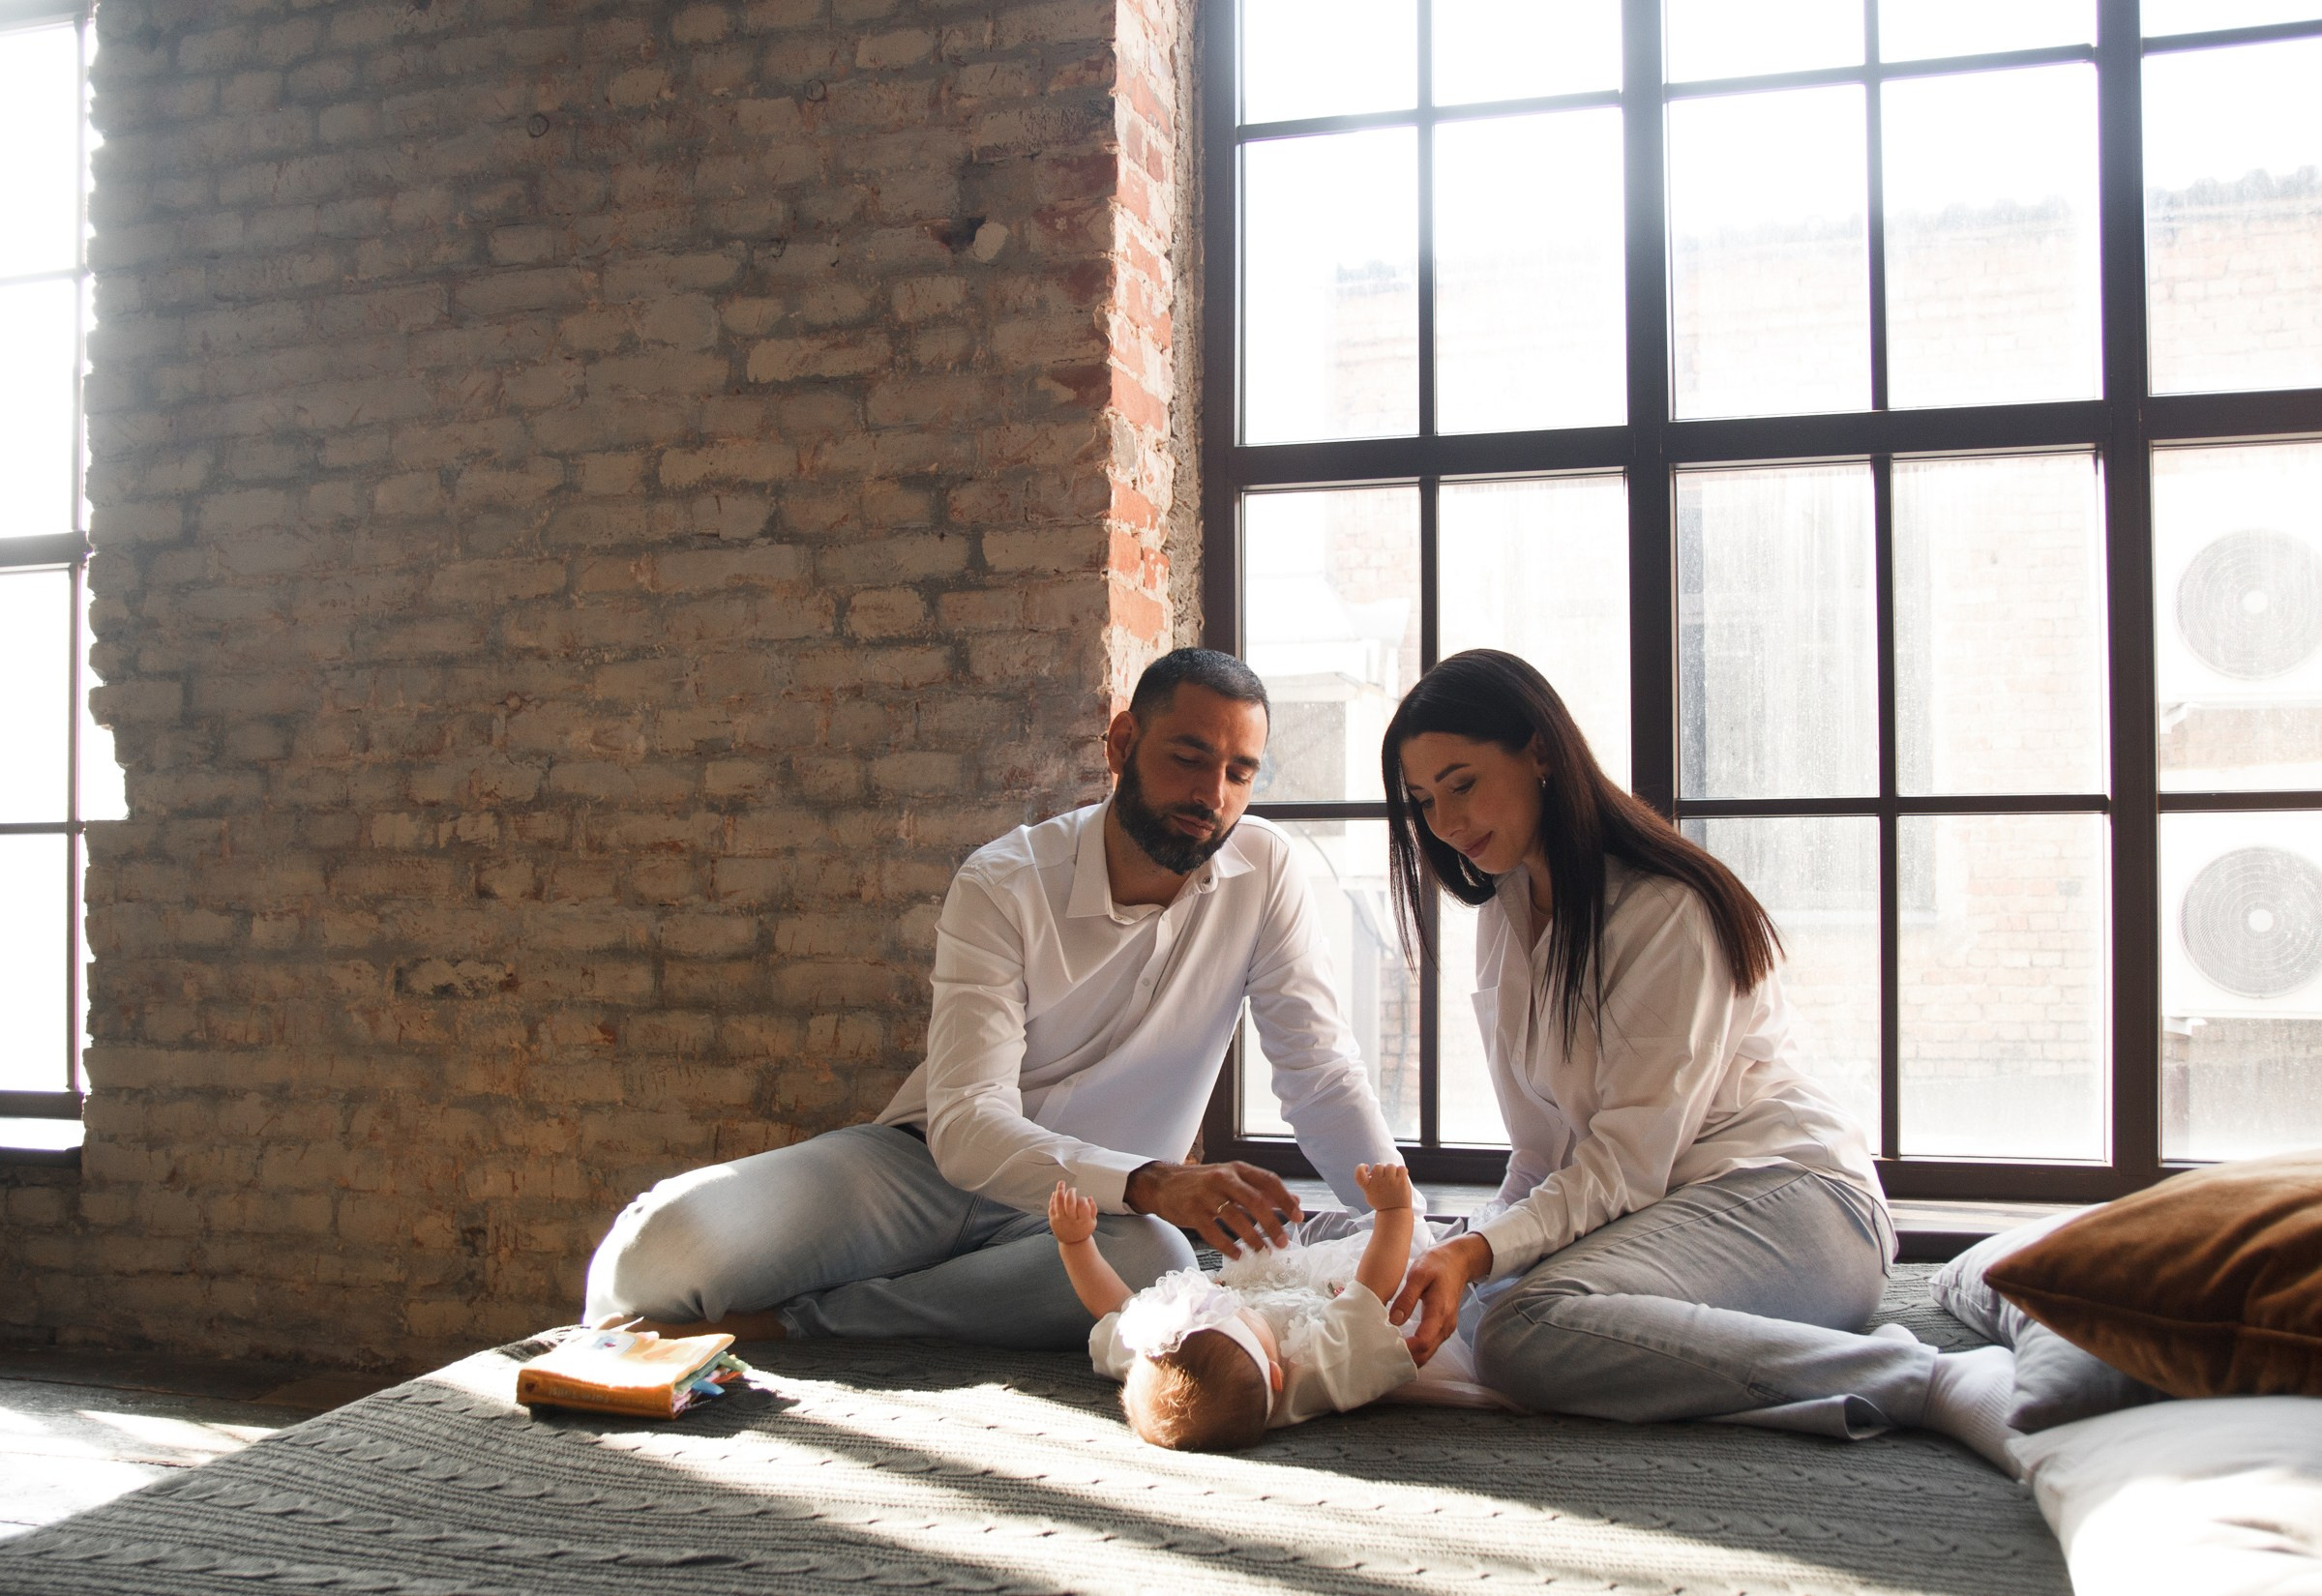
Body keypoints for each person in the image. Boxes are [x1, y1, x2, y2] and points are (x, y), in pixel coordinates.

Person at [582, 647, 1412, 1349]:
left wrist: (1398, 1220)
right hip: (923, 1171)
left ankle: (811, 1324)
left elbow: (1318, 1070)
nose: (1213, 796)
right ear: (1123, 743)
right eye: (1188, 757)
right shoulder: (1004, 881)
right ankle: (919, 1283)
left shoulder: (1265, 872)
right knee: (654, 1254)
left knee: (1156, 1260)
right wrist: (1160, 1179)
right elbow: (969, 1128)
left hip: (1101, 1210)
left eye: (1239, 772)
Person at [1379, 649, 2023, 1473]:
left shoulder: (1663, 909)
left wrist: (1478, 1256)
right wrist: (1462, 1256)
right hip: (1663, 1214)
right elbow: (1542, 1157)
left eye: (1462, 782)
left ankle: (1922, 1379)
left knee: (1521, 1329)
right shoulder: (1504, 912)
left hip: (1794, 1202)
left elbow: (1622, 1164)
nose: (1444, 821)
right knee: (1476, 1311)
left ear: (1540, 752)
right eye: (1424, 800)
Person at [1050, 1161, 1422, 1450]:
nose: (1234, 1301)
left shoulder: (1160, 1356)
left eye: (1218, 1304)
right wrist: (1394, 1213)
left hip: (1276, 1292)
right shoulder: (1323, 1364)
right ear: (1277, 1375)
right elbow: (1372, 1291)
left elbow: (1114, 1306)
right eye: (1238, 1314)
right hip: (1330, 1289)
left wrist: (1076, 1245)